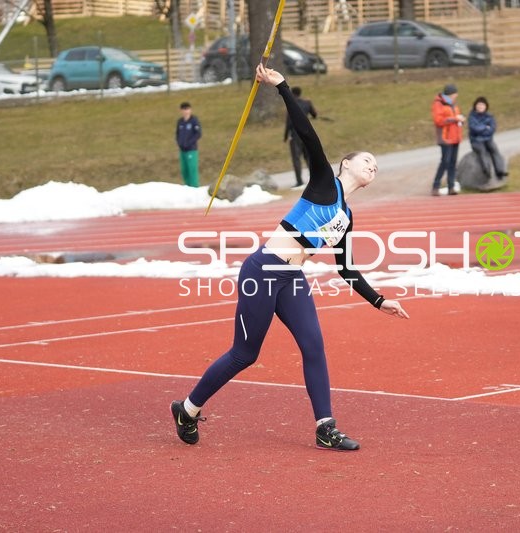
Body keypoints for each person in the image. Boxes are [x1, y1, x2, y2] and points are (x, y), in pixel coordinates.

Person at [170, 63, 410, 451]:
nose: (373, 168)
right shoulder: (322, 183)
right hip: (263, 271)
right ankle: (188, 408)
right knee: (244, 354)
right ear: (346, 164)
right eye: (368, 161)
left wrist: (379, 300)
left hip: (292, 279)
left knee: (314, 346)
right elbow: (306, 133)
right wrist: (282, 86)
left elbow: (345, 267)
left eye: (377, 168)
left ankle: (325, 427)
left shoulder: (346, 217)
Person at [431, 83, 465, 196]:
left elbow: (454, 117)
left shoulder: (453, 104)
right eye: (455, 94)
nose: (456, 96)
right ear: (451, 94)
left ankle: (451, 186)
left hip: (455, 137)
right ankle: (436, 186)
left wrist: (460, 120)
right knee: (445, 162)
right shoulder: (439, 104)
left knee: (452, 163)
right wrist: (455, 118)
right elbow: (438, 120)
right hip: (445, 138)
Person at [284, 86, 318, 187]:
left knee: (296, 158)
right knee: (308, 157)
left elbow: (289, 122)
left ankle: (299, 181)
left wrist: (286, 136)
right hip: (307, 133)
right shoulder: (307, 103)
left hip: (295, 135)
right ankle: (315, 179)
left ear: (292, 94)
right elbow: (315, 115)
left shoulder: (291, 105)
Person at [468, 96, 508, 181]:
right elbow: (474, 128)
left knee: (494, 149)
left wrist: (483, 129)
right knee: (482, 151)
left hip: (487, 139)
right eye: (479, 105)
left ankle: (500, 170)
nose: (480, 107)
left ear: (486, 106)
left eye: (482, 105)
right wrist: (485, 127)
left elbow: (492, 129)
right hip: (476, 140)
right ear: (475, 106)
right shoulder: (472, 116)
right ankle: (487, 171)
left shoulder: (489, 116)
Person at [175, 102, 202, 187]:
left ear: (190, 110)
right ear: (181, 110)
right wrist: (179, 143)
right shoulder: (180, 122)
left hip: (191, 150)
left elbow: (198, 134)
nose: (186, 111)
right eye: (184, 109)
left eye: (187, 109)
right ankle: (187, 187)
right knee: (184, 170)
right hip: (182, 150)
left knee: (192, 169)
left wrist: (189, 143)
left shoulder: (194, 120)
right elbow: (177, 134)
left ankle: (194, 187)